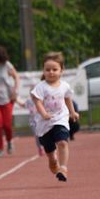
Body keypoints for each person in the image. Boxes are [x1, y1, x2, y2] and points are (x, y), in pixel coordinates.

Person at [30, 52, 79, 182]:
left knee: (63, 142)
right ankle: (53, 160)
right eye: (47, 69)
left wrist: (72, 112)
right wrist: (44, 114)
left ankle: (63, 168)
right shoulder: (41, 87)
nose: (51, 72)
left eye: (54, 69)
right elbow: (37, 102)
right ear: (43, 71)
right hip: (44, 123)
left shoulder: (65, 86)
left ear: (61, 70)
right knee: (50, 150)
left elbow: (68, 98)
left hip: (60, 118)